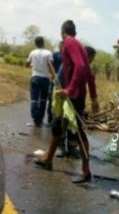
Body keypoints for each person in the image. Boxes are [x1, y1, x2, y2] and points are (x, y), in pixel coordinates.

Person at [34, 19, 98, 183]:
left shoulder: (69, 43)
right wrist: (94, 97)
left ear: (62, 32)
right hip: (71, 95)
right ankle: (48, 159)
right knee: (57, 125)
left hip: (72, 96)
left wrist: (69, 90)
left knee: (76, 131)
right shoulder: (80, 47)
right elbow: (89, 74)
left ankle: (86, 170)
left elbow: (82, 68)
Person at [26, 37, 54, 128]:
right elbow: (51, 66)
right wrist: (54, 76)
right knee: (43, 100)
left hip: (35, 77)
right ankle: (40, 119)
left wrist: (32, 65)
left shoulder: (32, 52)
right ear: (43, 43)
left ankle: (35, 119)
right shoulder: (48, 53)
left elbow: (27, 64)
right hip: (45, 78)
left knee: (34, 99)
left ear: (36, 43)